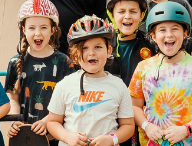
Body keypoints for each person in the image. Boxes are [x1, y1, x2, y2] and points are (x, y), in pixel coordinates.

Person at [129, 2, 192, 146]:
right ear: (153, 36)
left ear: (185, 33)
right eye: (162, 30)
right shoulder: (143, 67)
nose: (169, 35)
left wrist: (186, 129)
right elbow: (134, 106)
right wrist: (146, 126)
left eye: (175, 29)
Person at [47, 15, 136, 146]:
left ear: (109, 50)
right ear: (75, 53)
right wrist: (67, 137)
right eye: (84, 48)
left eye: (98, 47)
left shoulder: (119, 86)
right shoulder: (64, 85)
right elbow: (52, 122)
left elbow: (128, 126)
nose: (91, 53)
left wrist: (112, 139)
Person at [5, 0, 75, 146]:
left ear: (53, 30)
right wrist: (15, 121)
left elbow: (69, 101)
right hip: (25, 138)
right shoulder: (15, 62)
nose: (38, 33)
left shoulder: (65, 62)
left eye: (44, 27)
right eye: (31, 28)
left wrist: (48, 121)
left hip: (57, 137)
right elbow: (13, 98)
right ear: (23, 30)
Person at [105, 0, 156, 85]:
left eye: (133, 11)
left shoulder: (151, 43)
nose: (127, 16)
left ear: (142, 15)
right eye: (121, 11)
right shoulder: (104, 45)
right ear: (112, 15)